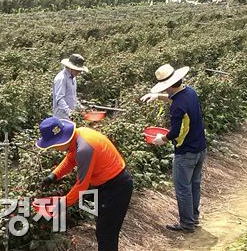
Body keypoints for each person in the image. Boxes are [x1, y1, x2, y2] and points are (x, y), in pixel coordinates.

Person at [37, 117, 133, 251]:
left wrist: (63, 203)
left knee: (106, 233)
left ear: (61, 140)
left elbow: (82, 184)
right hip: (108, 184)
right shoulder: (78, 135)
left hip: (117, 187)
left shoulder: (84, 149)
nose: (55, 149)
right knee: (104, 230)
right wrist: (53, 175)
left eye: (53, 145)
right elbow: (70, 160)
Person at [140, 64, 207, 233]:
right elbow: (176, 97)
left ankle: (187, 224)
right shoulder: (190, 92)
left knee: (183, 188)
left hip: (186, 152)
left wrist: (161, 139)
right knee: (194, 184)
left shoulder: (177, 106)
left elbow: (175, 132)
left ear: (169, 85)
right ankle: (194, 218)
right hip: (200, 148)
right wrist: (157, 96)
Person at [52, 54, 88, 119]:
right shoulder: (61, 78)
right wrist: (69, 112)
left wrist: (80, 107)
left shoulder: (73, 78)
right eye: (77, 70)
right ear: (70, 67)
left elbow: (73, 97)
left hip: (69, 117)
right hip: (61, 118)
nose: (78, 72)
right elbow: (59, 99)